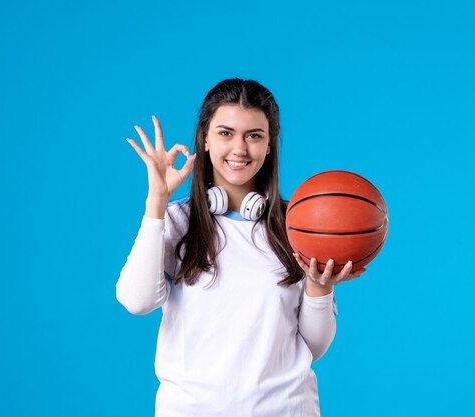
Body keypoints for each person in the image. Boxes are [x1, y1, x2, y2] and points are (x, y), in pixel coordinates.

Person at [116, 78, 366, 417]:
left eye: (254, 136)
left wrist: (319, 287)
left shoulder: (299, 225)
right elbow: (137, 301)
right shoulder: (175, 222)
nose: (240, 149)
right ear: (204, 138)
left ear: (269, 145)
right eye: (225, 133)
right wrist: (157, 201)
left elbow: (312, 347)